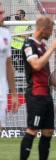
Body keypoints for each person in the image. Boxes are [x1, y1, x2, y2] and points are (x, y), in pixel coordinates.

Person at [20, 16, 56, 160]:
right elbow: (36, 65)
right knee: (32, 131)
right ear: (43, 30)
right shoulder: (29, 45)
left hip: (46, 96)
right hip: (36, 95)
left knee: (48, 132)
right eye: (50, 31)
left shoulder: (42, 46)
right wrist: (53, 48)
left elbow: (47, 73)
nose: (51, 34)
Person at [0, 2, 18, 130]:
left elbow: (8, 65)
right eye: (0, 13)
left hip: (2, 89)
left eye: (3, 13)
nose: (3, 16)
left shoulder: (5, 34)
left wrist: (14, 94)